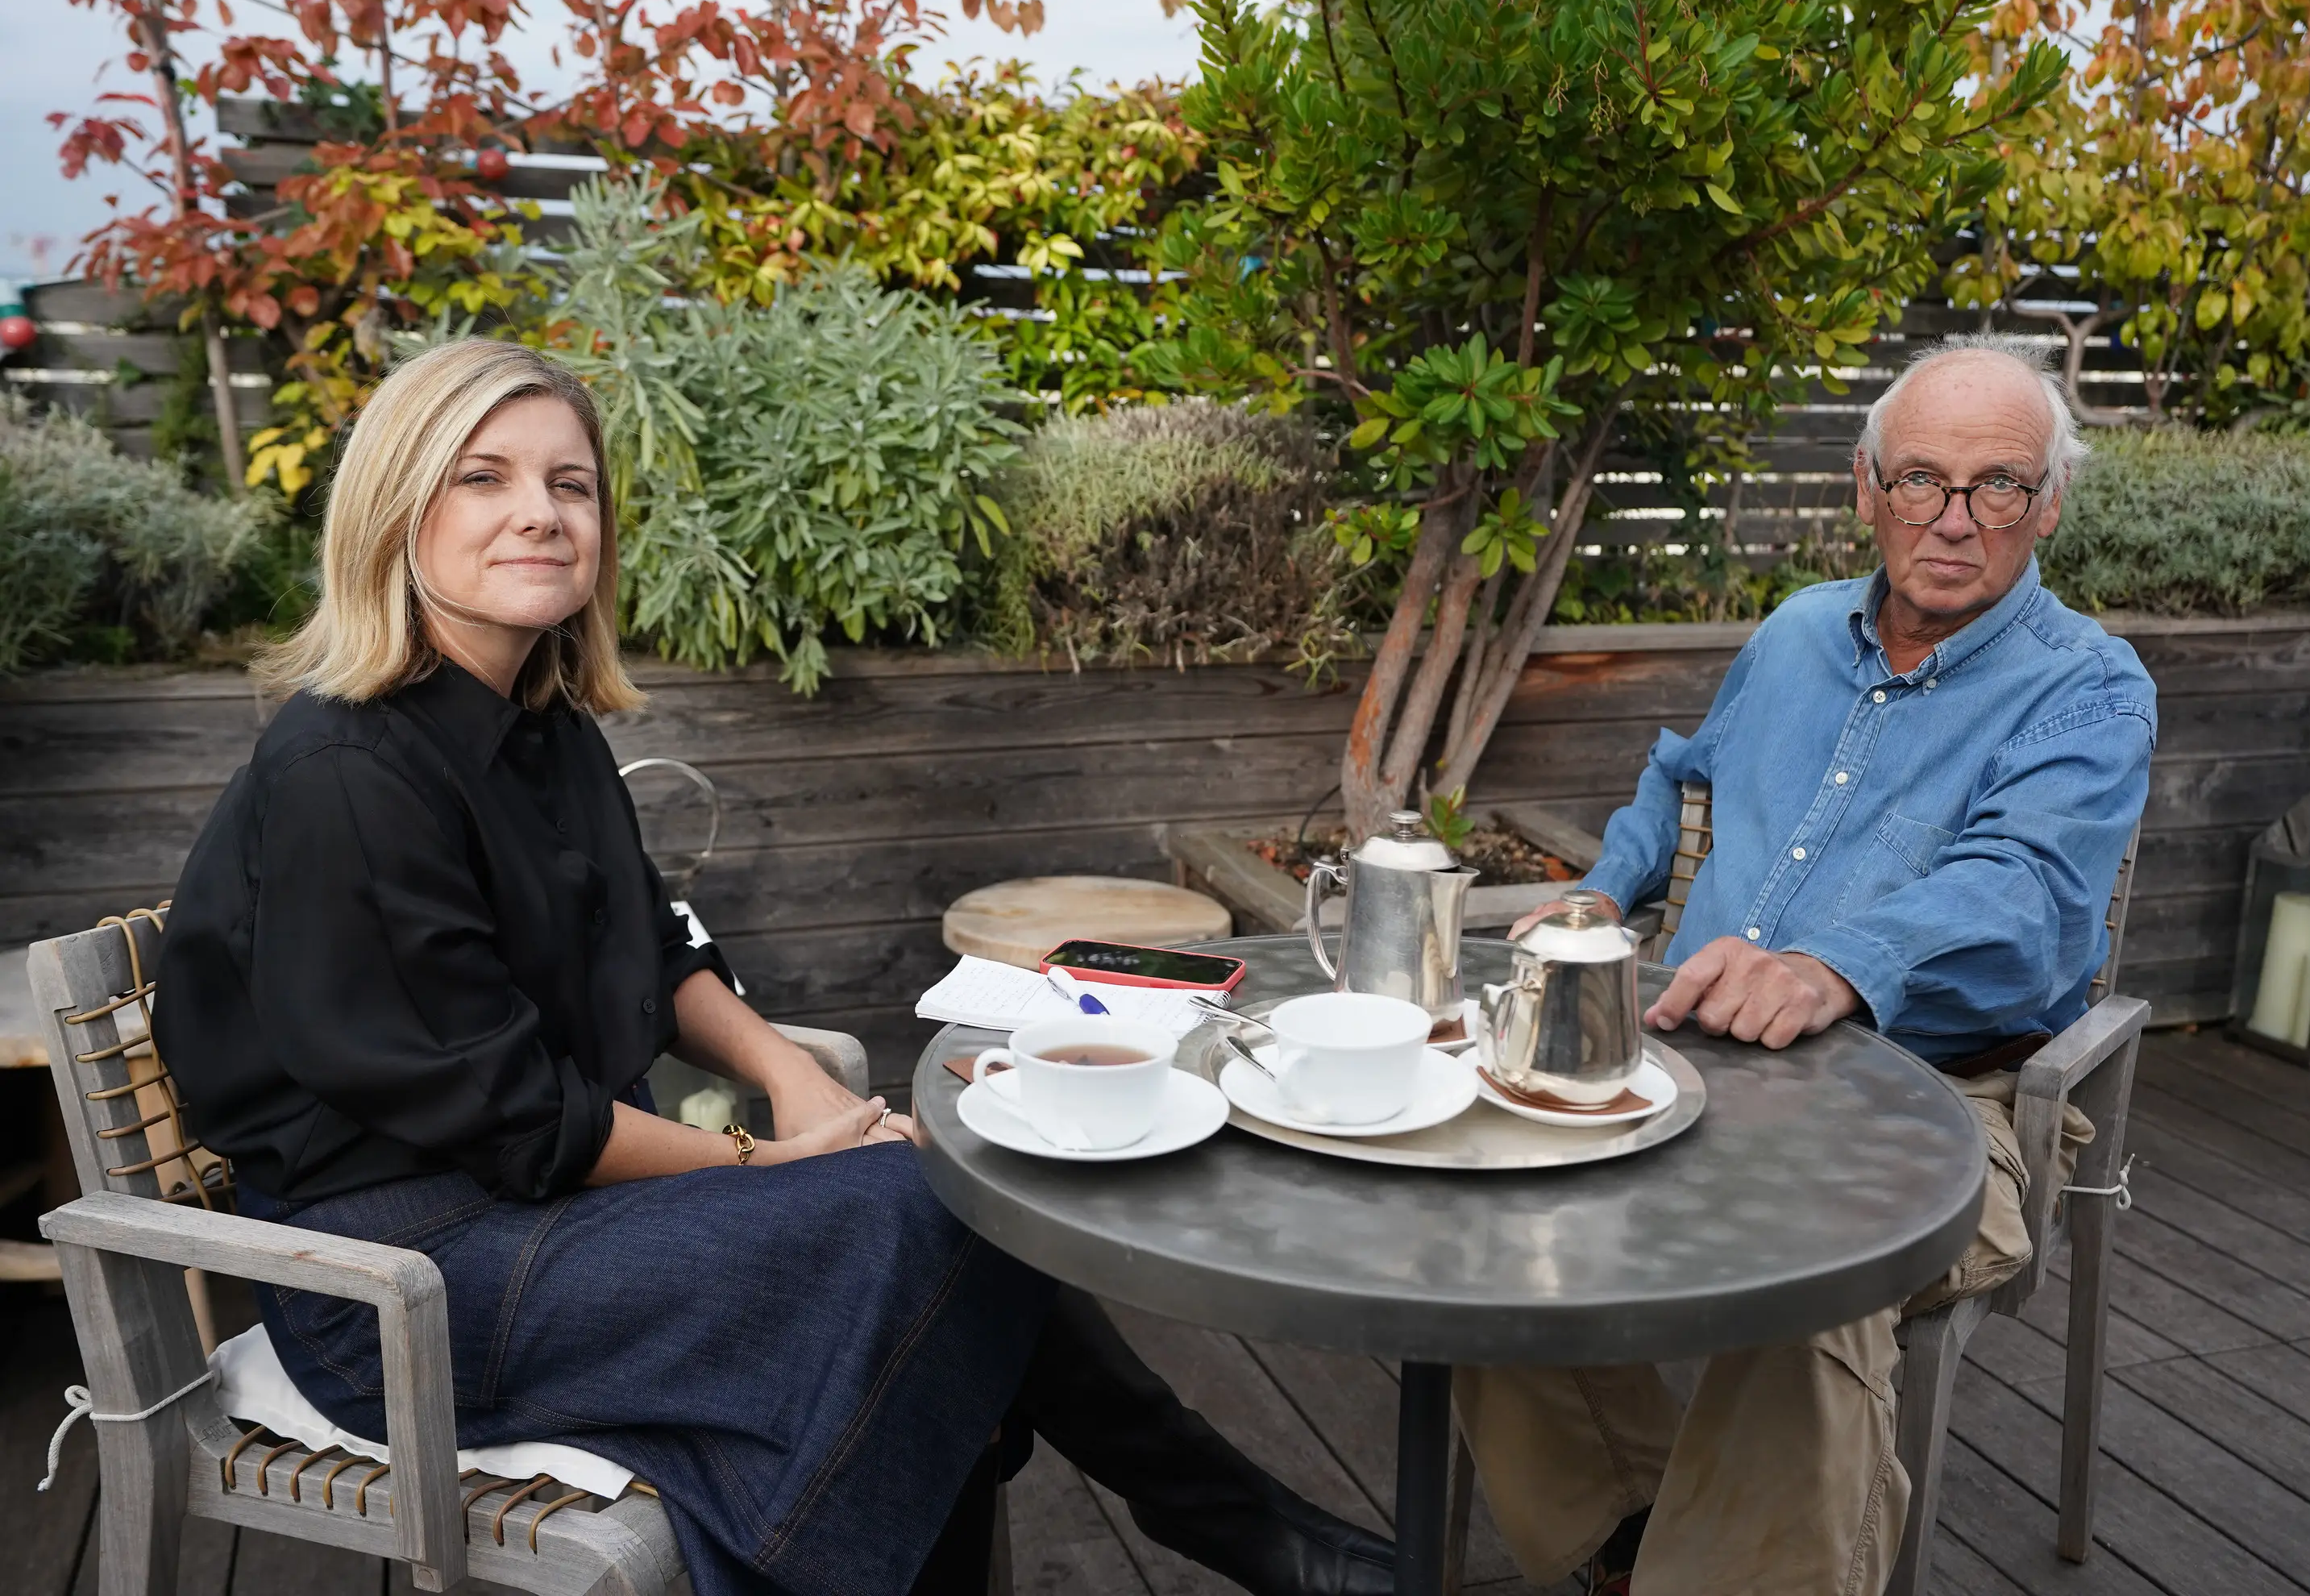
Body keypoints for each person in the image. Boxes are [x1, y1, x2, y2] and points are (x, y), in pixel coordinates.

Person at [152, 339, 1394, 1596]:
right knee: (919, 1211)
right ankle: (1240, 1525)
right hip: (402, 1280)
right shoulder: (348, 773)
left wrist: (790, 1076)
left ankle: (1234, 1525)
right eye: (485, 477)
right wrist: (767, 1160)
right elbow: (512, 1116)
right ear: (394, 508)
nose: (540, 512)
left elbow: (653, 938)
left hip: (543, 1206)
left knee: (931, 1212)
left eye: (571, 484)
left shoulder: (543, 725)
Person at [1473, 339, 2157, 1596]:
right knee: (1482, 1179)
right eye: (1922, 480)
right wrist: (1602, 890)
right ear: (1866, 488)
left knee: (1816, 1269)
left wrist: (1833, 965)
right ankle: (1629, 1540)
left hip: (1947, 1101)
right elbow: (1678, 779)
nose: (1954, 520)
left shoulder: (2089, 690)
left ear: (2050, 504)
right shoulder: (1795, 634)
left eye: (1999, 486)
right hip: (1692, 1058)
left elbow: (2026, 897)